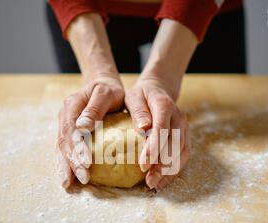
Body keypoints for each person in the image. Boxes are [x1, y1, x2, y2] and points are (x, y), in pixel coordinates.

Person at [48, 0, 245, 190]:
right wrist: (99, 75)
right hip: (86, 12)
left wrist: (161, 78)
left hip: (202, 11)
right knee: (93, 107)